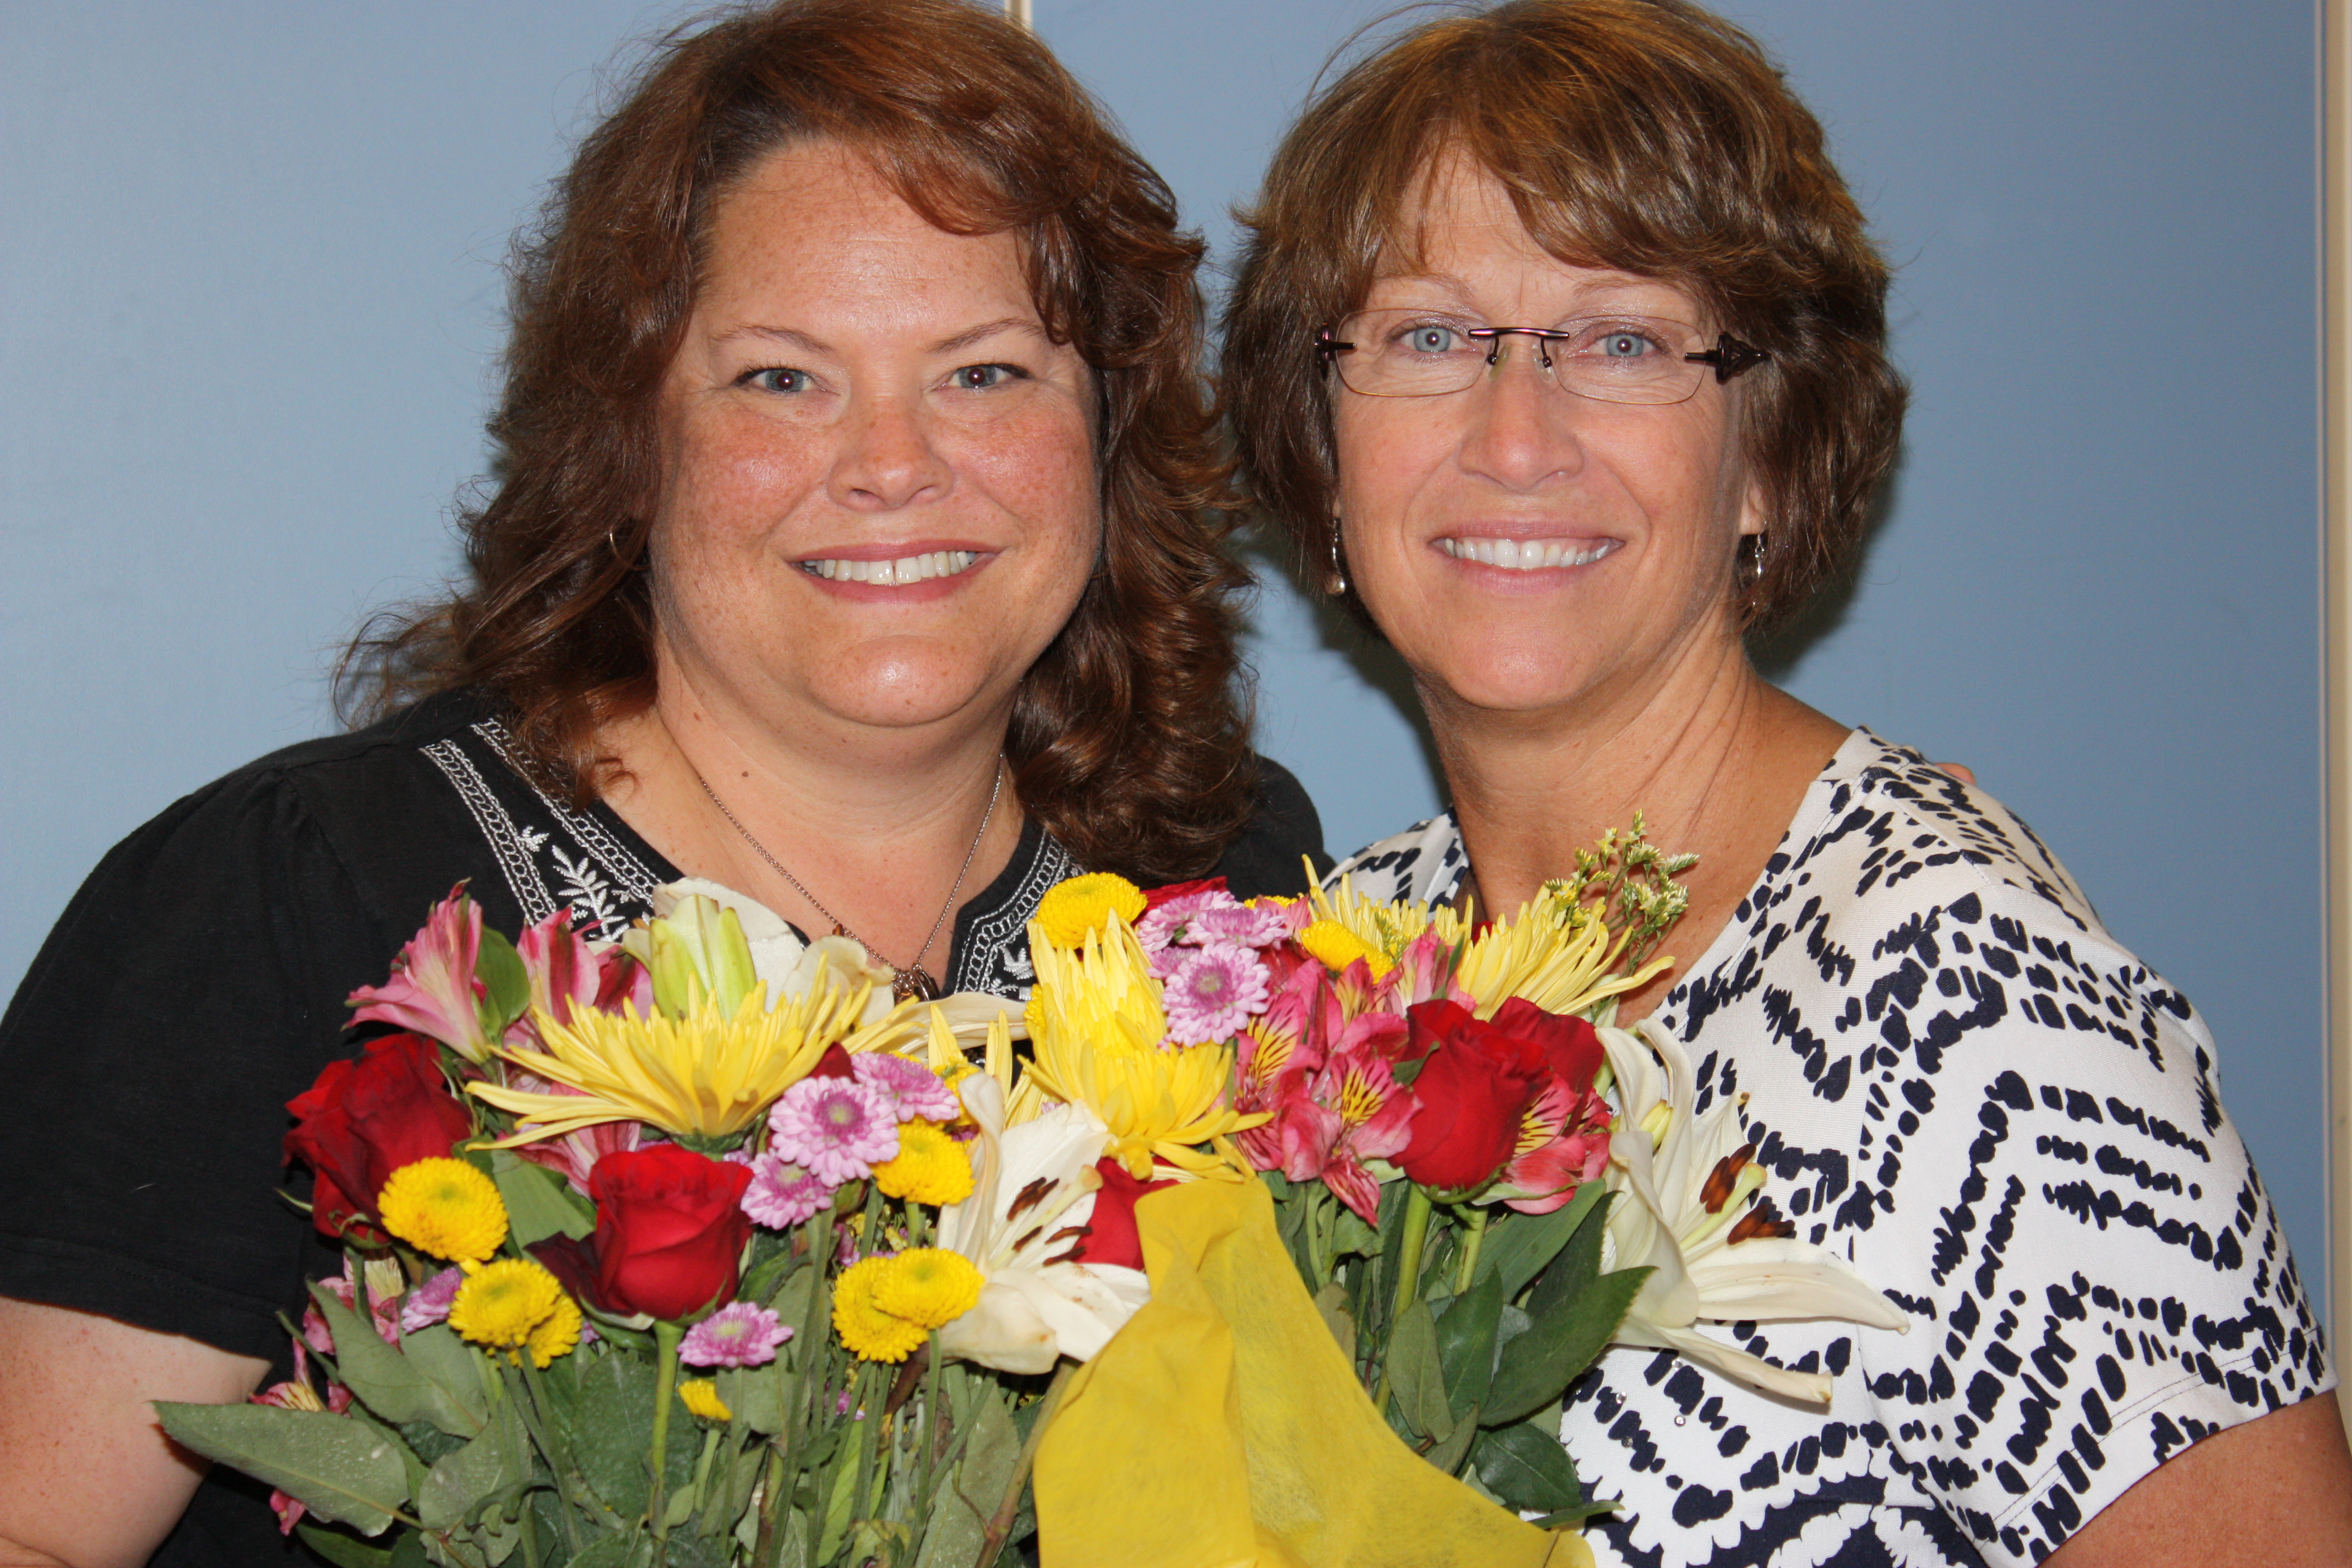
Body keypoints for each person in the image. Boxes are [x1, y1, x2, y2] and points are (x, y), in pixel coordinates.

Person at [0, 3, 1325, 1563]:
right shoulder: (301, 895)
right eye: (781, 379)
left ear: (1106, 427)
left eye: (982, 372)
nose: (894, 463)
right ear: (631, 436)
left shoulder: (1223, 893)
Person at [1221, 1, 2349, 1562]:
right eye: (1428, 338)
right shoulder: (1345, 966)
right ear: (1322, 445)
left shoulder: (1964, 1004)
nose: (1516, 436)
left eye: (1623, 341)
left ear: (1768, 456)